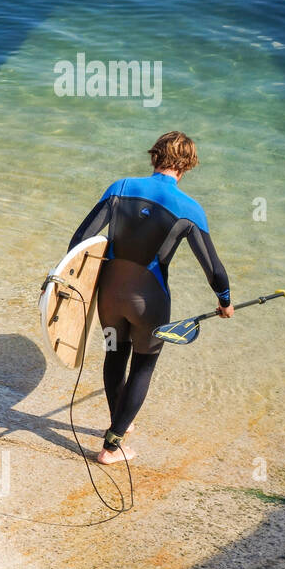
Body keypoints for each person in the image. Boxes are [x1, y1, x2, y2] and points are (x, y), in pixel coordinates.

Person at [68, 131, 233, 464]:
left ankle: (120, 423)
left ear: (154, 156)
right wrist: (224, 300)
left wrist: (63, 287)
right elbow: (214, 269)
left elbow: (80, 241)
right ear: (187, 166)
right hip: (149, 301)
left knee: (115, 355)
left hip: (109, 297)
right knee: (143, 366)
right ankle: (111, 447)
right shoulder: (190, 209)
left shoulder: (121, 187)